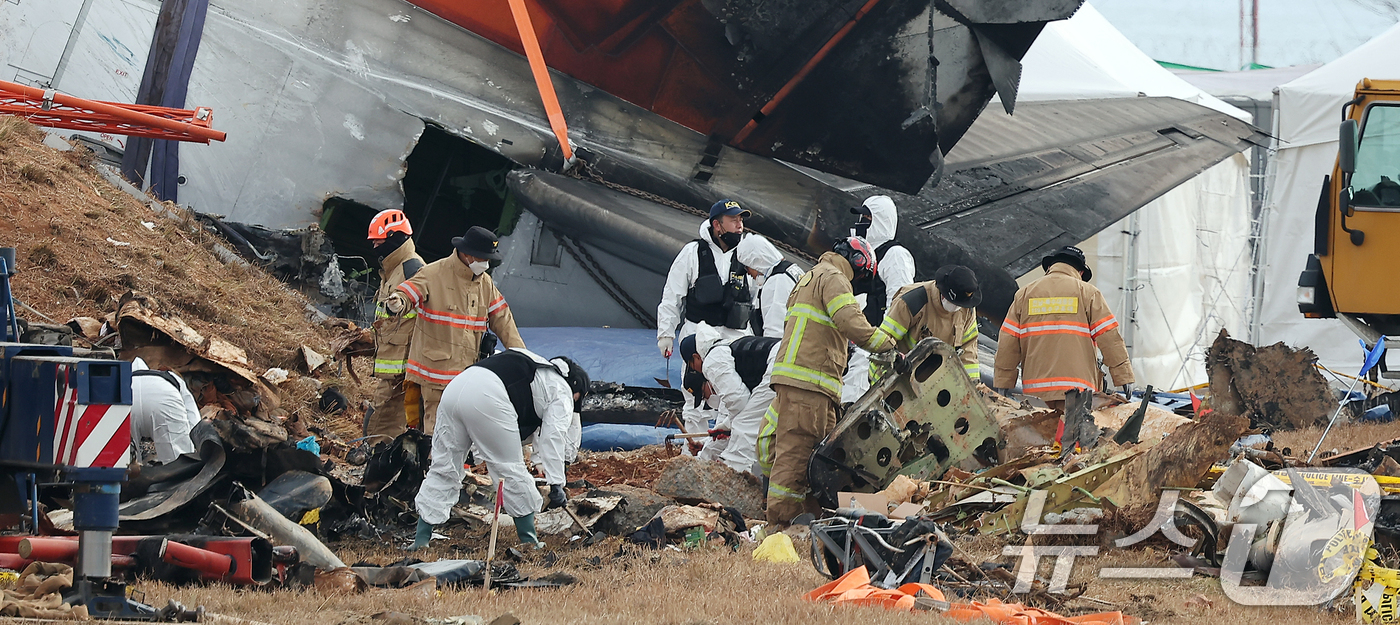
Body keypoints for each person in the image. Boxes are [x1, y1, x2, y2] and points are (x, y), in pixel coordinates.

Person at [761, 236, 896, 526]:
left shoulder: (808, 278)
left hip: (797, 382)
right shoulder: (835, 278)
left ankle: (811, 521)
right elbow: (852, 322)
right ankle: (782, 526)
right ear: (859, 263)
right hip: (811, 385)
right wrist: (888, 346)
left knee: (814, 458)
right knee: (797, 456)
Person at [412, 349, 590, 550]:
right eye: (578, 397)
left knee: (444, 466)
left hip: (455, 389)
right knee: (509, 469)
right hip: (489, 396)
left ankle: (421, 540)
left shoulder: (538, 369)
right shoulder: (562, 390)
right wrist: (557, 483)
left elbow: (538, 432)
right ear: (575, 385)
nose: (575, 403)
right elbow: (554, 436)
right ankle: (529, 541)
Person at [384, 226, 525, 434]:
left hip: (466, 377)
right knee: (437, 430)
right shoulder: (433, 273)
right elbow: (407, 293)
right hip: (435, 375)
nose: (485, 263)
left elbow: (503, 321)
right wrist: (397, 302)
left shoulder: (485, 283)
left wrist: (522, 356)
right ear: (467, 254)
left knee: (462, 432)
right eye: (482, 258)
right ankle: (432, 455)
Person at [993, 246, 1134, 450]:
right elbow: (1109, 337)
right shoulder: (1088, 293)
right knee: (1072, 450)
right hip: (1077, 391)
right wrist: (1123, 376)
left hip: (1036, 391)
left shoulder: (1024, 294)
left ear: (1050, 266)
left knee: (1041, 449)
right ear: (1081, 272)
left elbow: (1008, 341)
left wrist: (1003, 381)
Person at [656, 199, 755, 451]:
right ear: (717, 225)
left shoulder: (747, 254)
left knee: (735, 396)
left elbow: (757, 298)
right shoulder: (693, 253)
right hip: (698, 336)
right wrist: (666, 334)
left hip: (736, 336)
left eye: (741, 220)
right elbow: (672, 295)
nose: (739, 226)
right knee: (695, 397)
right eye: (733, 220)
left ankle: (725, 451)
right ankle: (693, 450)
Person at [843, 195, 915, 404]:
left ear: (881, 221)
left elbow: (899, 301)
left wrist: (884, 342)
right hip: (854, 341)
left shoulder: (894, 255)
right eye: (861, 218)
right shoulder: (862, 254)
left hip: (872, 347)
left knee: (855, 396)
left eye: (867, 218)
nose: (861, 223)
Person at [681, 324, 780, 475]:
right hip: (788, 360)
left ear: (696, 357)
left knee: (744, 427)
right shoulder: (727, 347)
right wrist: (726, 427)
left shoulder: (712, 360)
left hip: (776, 366)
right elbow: (743, 405)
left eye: (692, 366)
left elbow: (739, 402)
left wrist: (730, 426)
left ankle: (734, 478)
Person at [364, 209, 426, 439]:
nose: (374, 246)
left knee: (381, 424)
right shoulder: (392, 271)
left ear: (394, 238)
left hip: (403, 369)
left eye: (378, 241)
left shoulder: (413, 270)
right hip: (392, 366)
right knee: (379, 421)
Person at [877, 265, 982, 380]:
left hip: (930, 382)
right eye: (953, 303)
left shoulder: (967, 309)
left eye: (959, 305)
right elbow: (883, 342)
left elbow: (968, 354)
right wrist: (896, 360)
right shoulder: (912, 301)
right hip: (893, 376)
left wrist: (972, 385)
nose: (957, 308)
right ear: (943, 293)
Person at [129, 357, 202, 464]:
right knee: (178, 460)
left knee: (124, 460)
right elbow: (192, 413)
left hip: (128, 402)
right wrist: (194, 442)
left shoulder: (120, 379)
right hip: (165, 402)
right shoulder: (169, 376)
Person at [736, 235, 804, 339]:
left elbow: (775, 332)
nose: (748, 273)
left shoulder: (776, 282)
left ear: (756, 263)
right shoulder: (791, 270)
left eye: (747, 268)